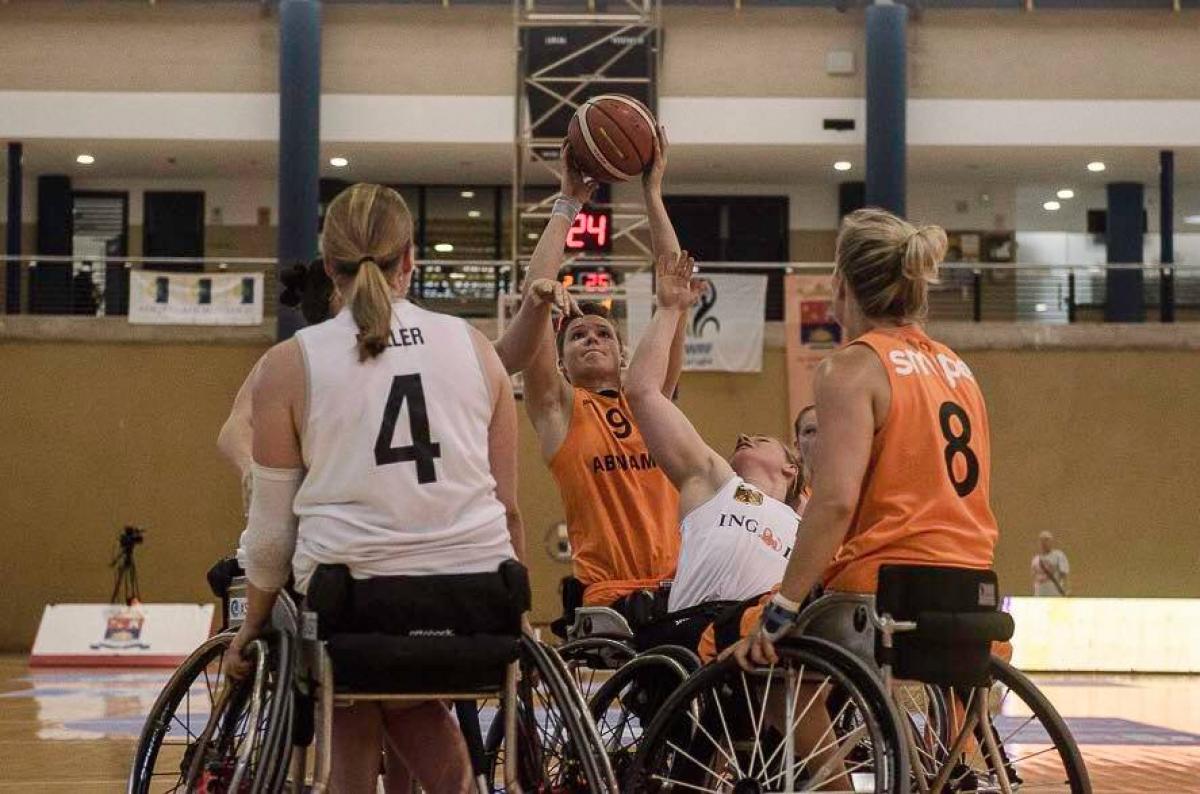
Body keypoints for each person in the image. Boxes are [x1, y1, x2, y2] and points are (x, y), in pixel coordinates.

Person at [223, 183, 526, 793]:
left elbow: (273, 533)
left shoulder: (289, 363)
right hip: (478, 600)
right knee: (412, 703)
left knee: (351, 693)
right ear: (410, 259)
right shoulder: (475, 348)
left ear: (329, 265)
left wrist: (249, 627)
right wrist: (514, 610)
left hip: (356, 605)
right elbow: (509, 508)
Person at [727, 207, 999, 669]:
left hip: (886, 587)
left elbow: (834, 502)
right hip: (972, 580)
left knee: (742, 653)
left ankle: (831, 747)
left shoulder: (852, 367)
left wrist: (783, 607)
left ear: (841, 285)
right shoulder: (958, 369)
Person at [522, 131, 688, 612]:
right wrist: (567, 205)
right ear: (560, 362)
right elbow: (536, 293)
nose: (591, 338)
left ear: (623, 353)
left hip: (680, 587)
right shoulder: (558, 409)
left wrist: (652, 193)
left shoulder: (651, 398)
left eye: (602, 334)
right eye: (577, 336)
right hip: (611, 597)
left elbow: (672, 280)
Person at [624, 250, 803, 649]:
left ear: (792, 468)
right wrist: (669, 310)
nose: (745, 436)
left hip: (772, 641)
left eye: (762, 439)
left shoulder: (806, 527)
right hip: (696, 632)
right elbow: (642, 391)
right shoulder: (715, 480)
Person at [791, 404, 818, 514]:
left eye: (828, 428)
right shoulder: (789, 496)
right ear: (797, 445)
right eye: (810, 431)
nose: (821, 436)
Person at [1031, 531, 1070, 596]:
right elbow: (1034, 577)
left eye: (1046, 540)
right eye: (1042, 540)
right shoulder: (1035, 560)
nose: (1044, 543)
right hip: (1039, 596)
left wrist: (1067, 589)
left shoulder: (1058, 555)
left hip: (1055, 595)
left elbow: (1064, 574)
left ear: (1051, 542)